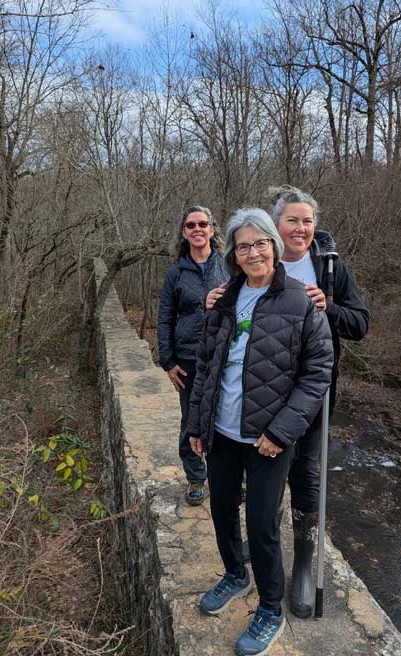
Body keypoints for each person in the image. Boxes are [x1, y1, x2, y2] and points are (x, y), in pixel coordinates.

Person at [206, 186, 369, 619]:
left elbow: (358, 324)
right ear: (276, 226)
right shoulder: (242, 275)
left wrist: (327, 307)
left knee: (305, 475)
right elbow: (215, 351)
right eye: (292, 220)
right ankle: (257, 551)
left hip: (307, 398)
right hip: (251, 402)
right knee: (253, 494)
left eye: (307, 221)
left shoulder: (328, 266)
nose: (301, 228)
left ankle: (301, 564)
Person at [187, 208, 333, 656]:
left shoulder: (301, 302)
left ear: (274, 246)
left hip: (268, 438)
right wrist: (196, 425)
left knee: (262, 524)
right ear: (233, 254)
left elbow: (318, 373)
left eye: (261, 243)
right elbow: (205, 367)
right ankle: (235, 575)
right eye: (244, 246)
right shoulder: (223, 301)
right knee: (221, 510)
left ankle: (271, 607)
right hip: (223, 431)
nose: (253, 253)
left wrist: (281, 432)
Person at [157, 205, 228, 506]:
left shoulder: (227, 265)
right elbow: (165, 316)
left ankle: (227, 477)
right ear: (184, 233)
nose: (197, 229)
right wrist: (168, 361)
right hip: (187, 358)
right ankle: (196, 478)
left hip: (223, 355)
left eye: (202, 224)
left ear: (212, 229)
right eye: (190, 225)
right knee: (192, 419)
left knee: (225, 417)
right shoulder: (176, 272)